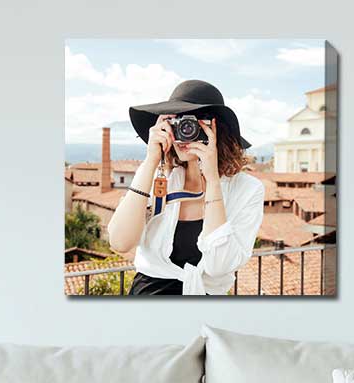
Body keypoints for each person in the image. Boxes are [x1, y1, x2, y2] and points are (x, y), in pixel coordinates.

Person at [107, 80, 266, 295]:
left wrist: (212, 180)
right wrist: (151, 160)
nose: (185, 132)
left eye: (194, 124)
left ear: (217, 130)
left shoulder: (247, 190)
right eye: (177, 123)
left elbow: (218, 266)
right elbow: (120, 242)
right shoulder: (157, 176)